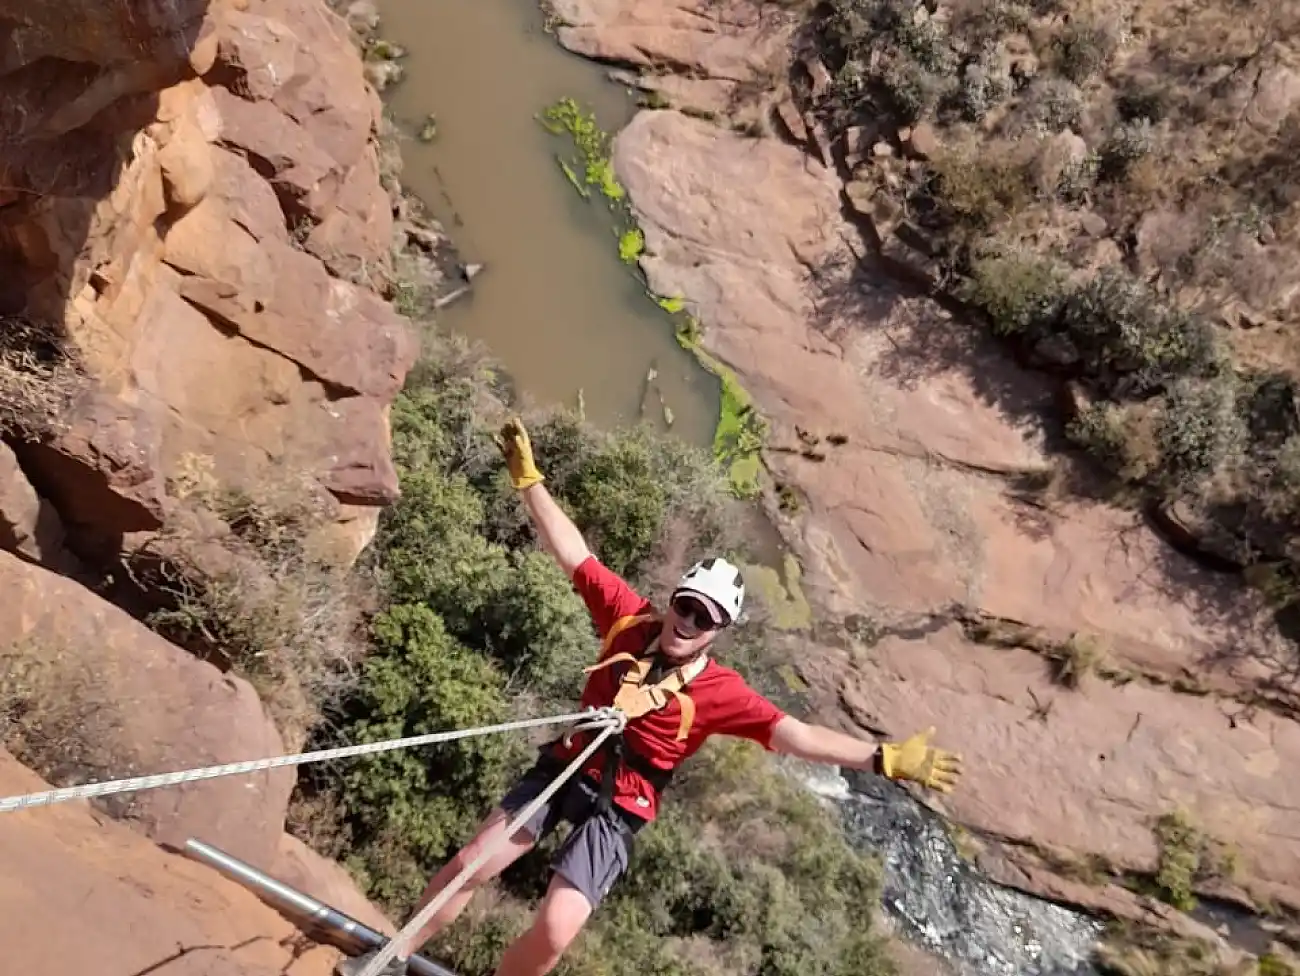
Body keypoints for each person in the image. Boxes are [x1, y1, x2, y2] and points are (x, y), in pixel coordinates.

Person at [339, 418, 962, 976]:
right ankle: (393, 959)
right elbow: (575, 554)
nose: (690, 622)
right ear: (674, 601)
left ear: (720, 631)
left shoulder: (721, 691)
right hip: (568, 765)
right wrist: (530, 481)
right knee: (472, 864)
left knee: (557, 927)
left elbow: (793, 735)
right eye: (687, 607)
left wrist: (879, 758)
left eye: (707, 618)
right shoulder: (627, 622)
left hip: (622, 806)